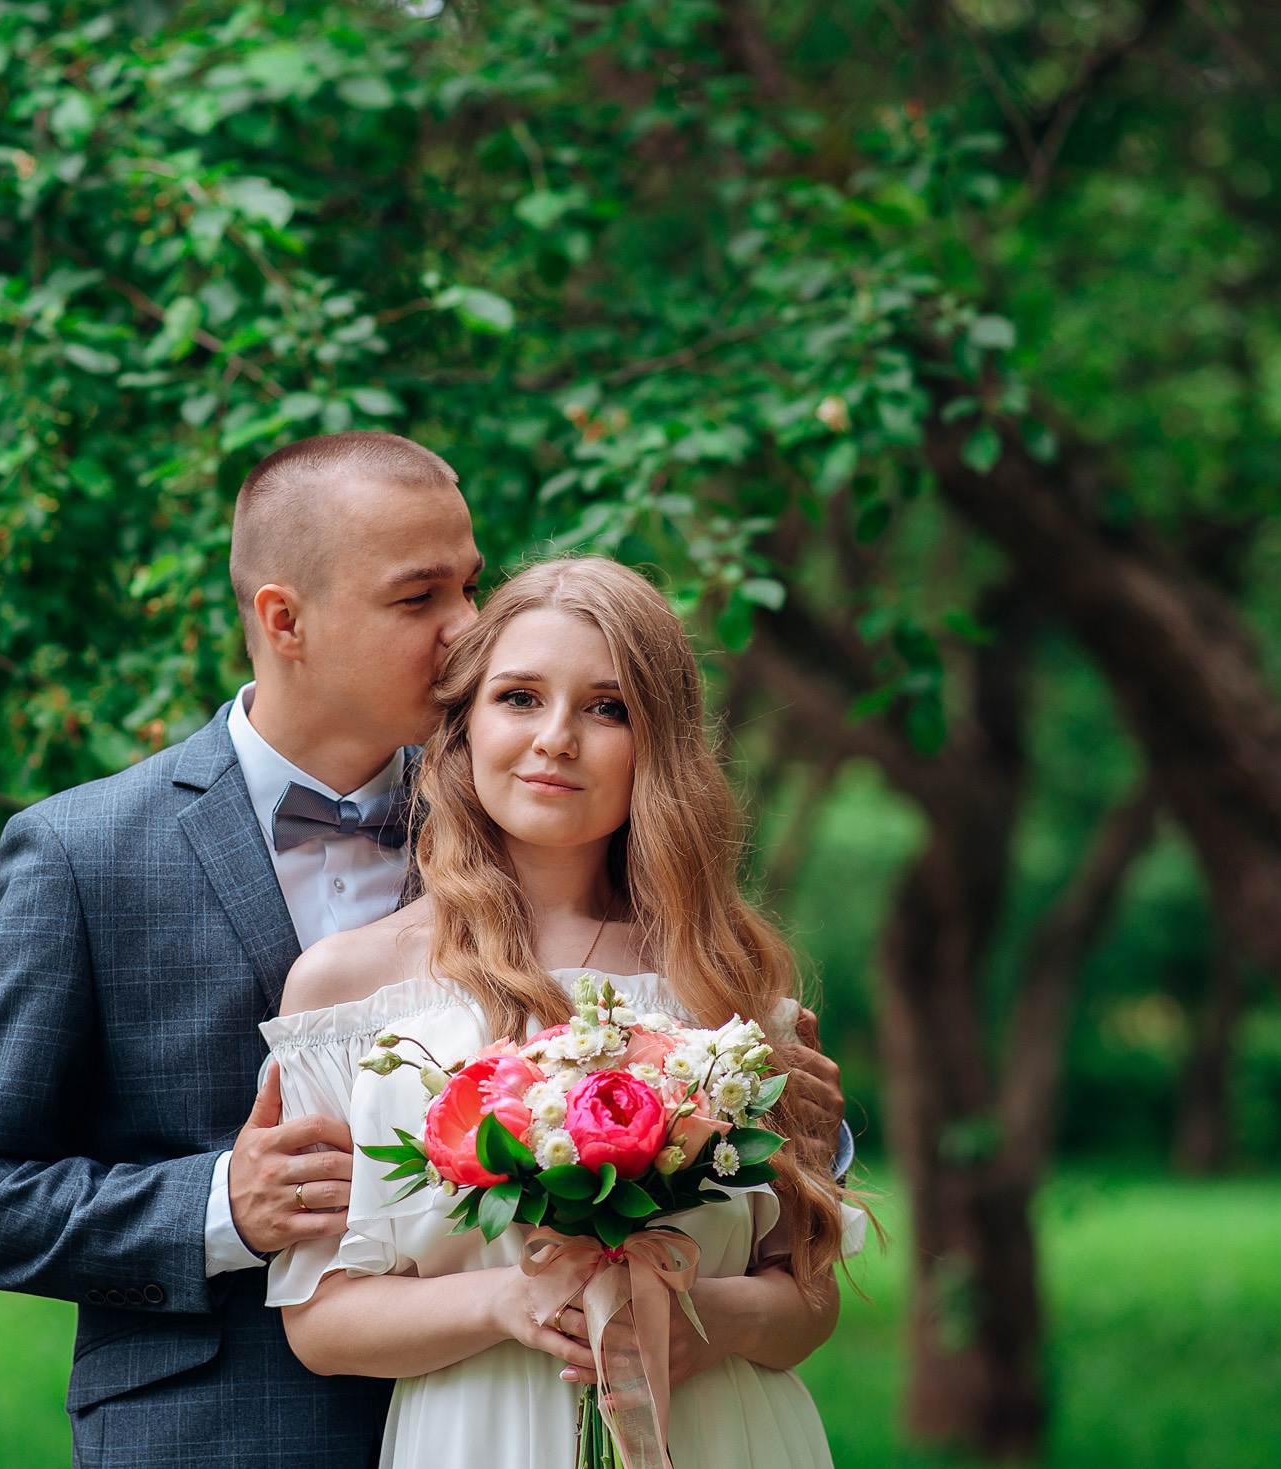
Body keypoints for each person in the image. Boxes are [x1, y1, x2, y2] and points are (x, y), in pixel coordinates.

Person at [0, 432, 849, 1466]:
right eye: (418, 598)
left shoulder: (525, 803)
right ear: (285, 619)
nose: (468, 629)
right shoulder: (88, 852)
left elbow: (699, 1069)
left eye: (472, 584)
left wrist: (793, 1123)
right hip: (224, 1433)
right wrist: (223, 1203)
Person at [267, 556, 861, 1468]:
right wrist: (508, 1300)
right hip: (482, 1431)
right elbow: (322, 1322)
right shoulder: (349, 990)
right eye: (518, 697)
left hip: (720, 1426)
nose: (556, 738)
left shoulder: (730, 992)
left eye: (606, 707)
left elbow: (806, 1301)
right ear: (462, 725)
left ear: (657, 745)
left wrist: (707, 1314)